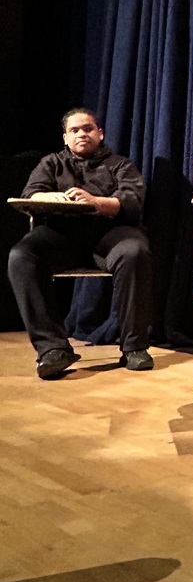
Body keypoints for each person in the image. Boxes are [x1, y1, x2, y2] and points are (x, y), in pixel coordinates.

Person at [7, 108, 154, 379]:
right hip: (61, 235)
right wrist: (51, 198)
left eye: (88, 128)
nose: (82, 134)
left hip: (110, 234)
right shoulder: (52, 163)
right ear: (65, 137)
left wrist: (95, 201)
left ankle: (134, 347)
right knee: (21, 256)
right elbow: (31, 194)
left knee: (134, 251)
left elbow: (132, 201)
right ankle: (53, 349)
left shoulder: (121, 165)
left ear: (100, 133)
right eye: (74, 130)